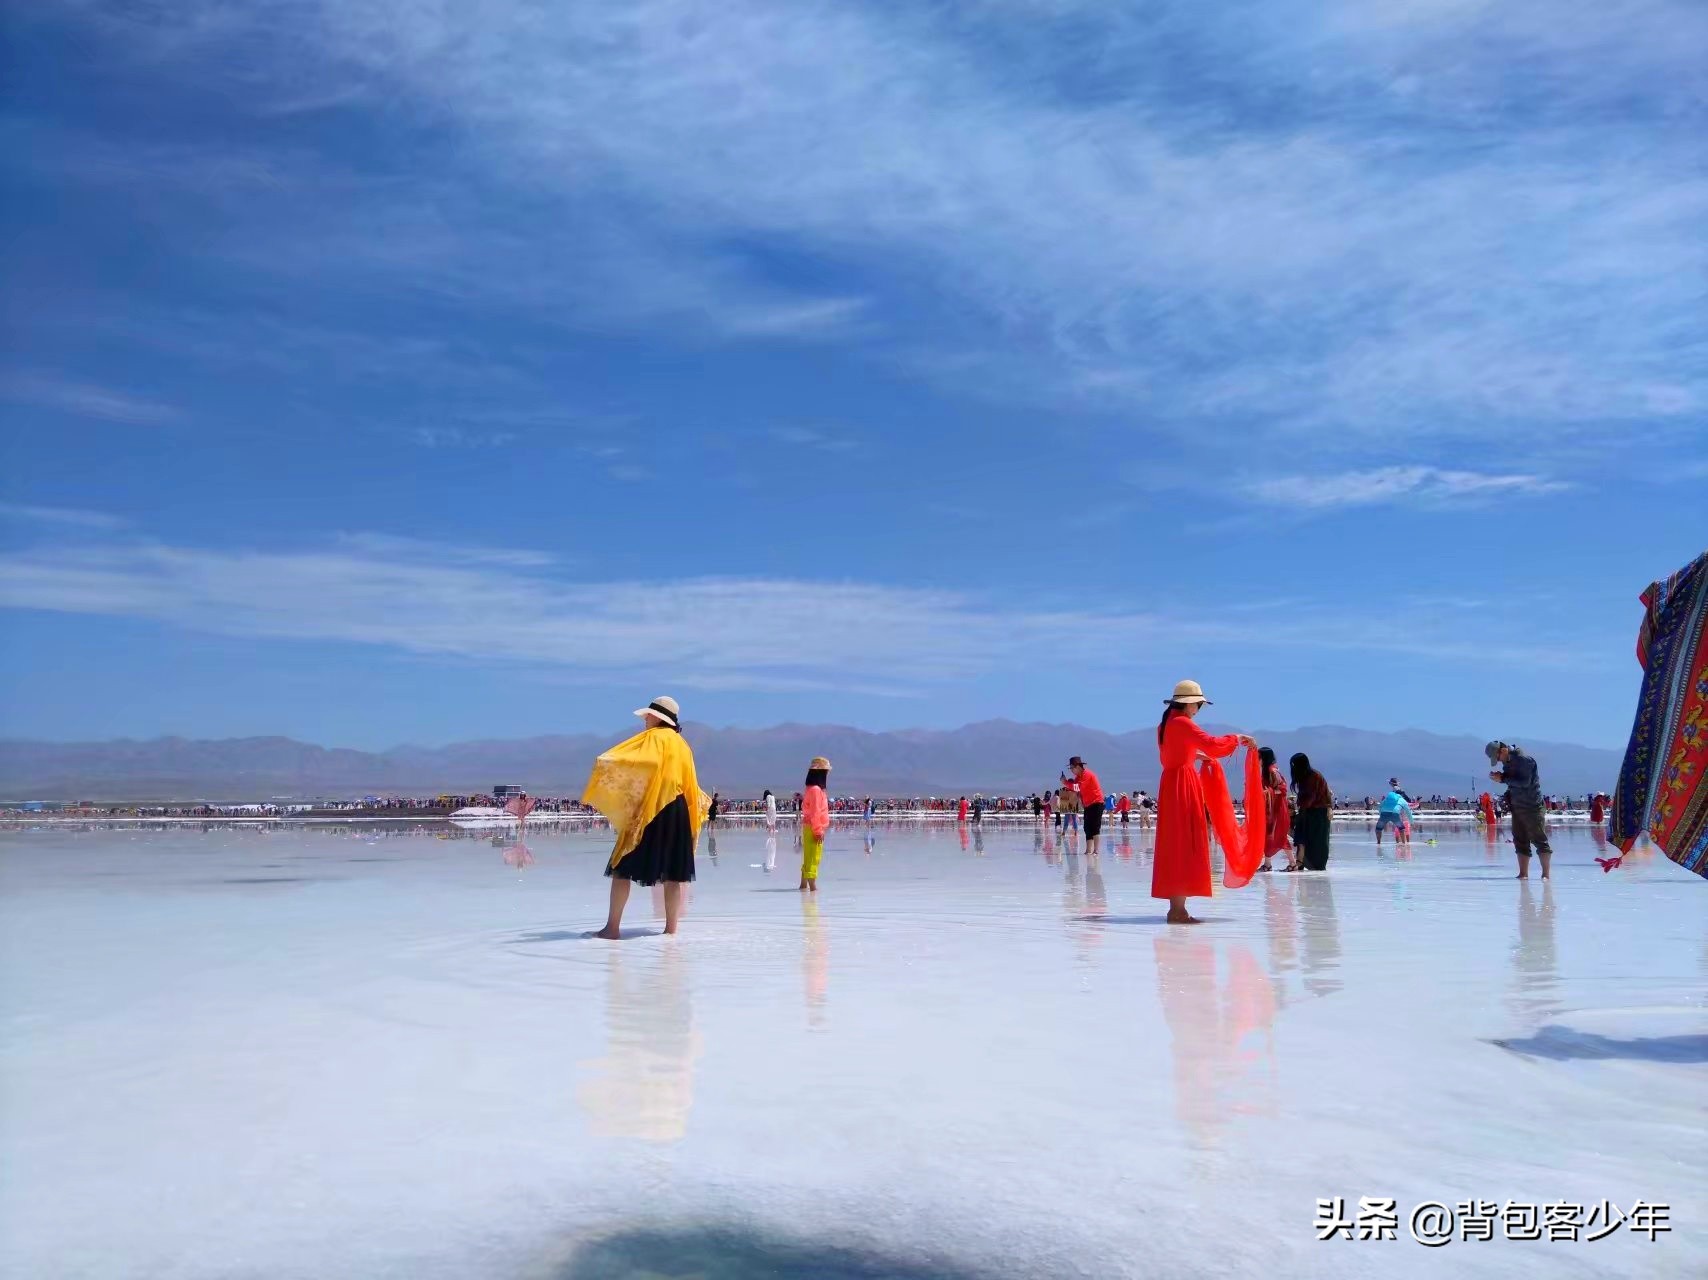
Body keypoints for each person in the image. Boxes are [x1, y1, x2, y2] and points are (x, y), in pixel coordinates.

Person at [582, 696, 707, 939]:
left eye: (648, 715)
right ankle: (671, 930)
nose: (645, 719)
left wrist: (605, 765)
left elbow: (625, 760)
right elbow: (690, 782)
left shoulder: (651, 739)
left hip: (651, 808)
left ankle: (612, 928)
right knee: (674, 873)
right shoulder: (682, 745)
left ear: (658, 718)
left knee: (621, 867)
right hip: (678, 810)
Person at [1152, 680, 1256, 923]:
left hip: (1172, 784)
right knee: (1184, 843)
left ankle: (1177, 908)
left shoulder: (1165, 725)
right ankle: (1177, 910)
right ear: (1192, 704)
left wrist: (1195, 755)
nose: (1199, 709)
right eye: (1199, 704)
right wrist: (1238, 738)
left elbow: (1173, 752)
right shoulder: (1182, 723)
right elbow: (1212, 744)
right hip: (1182, 786)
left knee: (1177, 843)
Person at [1486, 741, 1553, 880]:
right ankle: (1523, 874)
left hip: (1532, 806)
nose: (1498, 761)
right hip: (1518, 807)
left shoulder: (1524, 761)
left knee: (1539, 840)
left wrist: (1503, 778)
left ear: (1503, 750)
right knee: (1520, 840)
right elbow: (1514, 784)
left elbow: (1525, 783)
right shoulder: (1508, 763)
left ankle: (1546, 874)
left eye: (1497, 757)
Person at [1289, 752, 1332, 871]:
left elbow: (1311, 797)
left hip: (1318, 813)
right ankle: (1301, 861)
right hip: (1308, 812)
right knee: (1302, 836)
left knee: (1317, 841)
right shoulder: (1306, 777)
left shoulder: (1314, 776)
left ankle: (1314, 865)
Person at [1258, 746, 1292, 871]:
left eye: (1259, 757)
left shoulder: (1273, 771)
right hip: (1270, 809)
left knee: (1279, 835)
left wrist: (1266, 792)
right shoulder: (1266, 771)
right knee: (1269, 835)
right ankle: (1268, 863)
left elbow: (1282, 790)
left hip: (1276, 809)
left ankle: (1292, 863)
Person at [801, 756, 831, 891]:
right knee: (814, 857)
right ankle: (813, 887)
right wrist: (818, 831)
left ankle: (803, 884)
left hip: (809, 826)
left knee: (808, 856)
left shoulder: (811, 789)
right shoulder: (816, 790)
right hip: (814, 827)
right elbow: (815, 812)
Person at [1069, 755, 1106, 856]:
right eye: (1070, 768)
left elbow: (1078, 787)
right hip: (1087, 804)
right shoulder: (1077, 778)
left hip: (1097, 802)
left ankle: (1096, 850)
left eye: (1072, 768)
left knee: (1095, 826)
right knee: (1087, 827)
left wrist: (1065, 783)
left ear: (1078, 767)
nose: (1071, 770)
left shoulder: (1087, 774)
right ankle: (1088, 850)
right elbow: (1075, 789)